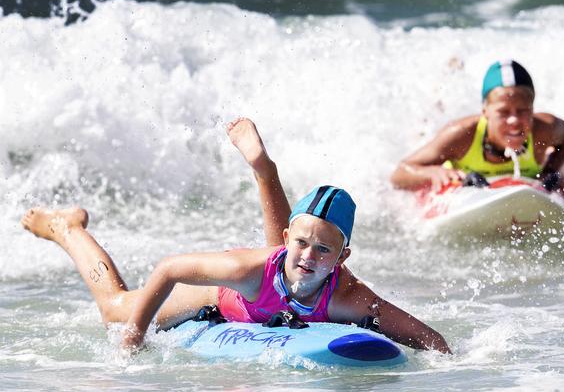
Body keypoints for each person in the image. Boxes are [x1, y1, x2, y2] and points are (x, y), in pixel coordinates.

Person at [21, 118, 451, 354]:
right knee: (115, 308)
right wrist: (135, 335)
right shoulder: (246, 270)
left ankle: (266, 172)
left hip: (274, 283)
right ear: (289, 237)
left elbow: (431, 340)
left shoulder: (350, 296)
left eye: (325, 250)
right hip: (221, 301)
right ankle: (67, 227)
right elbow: (170, 269)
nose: (311, 255)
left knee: (290, 263)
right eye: (302, 243)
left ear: (343, 257)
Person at [391, 60, 564, 196]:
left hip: (531, 166)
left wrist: (551, 170)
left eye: (523, 110)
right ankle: (444, 83)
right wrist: (432, 173)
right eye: (503, 112)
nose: (514, 120)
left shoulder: (545, 128)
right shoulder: (461, 135)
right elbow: (399, 174)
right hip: (464, 171)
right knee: (422, 134)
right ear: (485, 111)